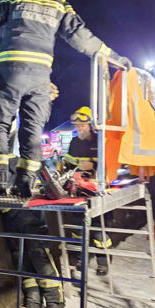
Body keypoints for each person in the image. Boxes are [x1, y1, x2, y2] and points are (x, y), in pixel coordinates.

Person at [0, 0, 132, 197]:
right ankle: (25, 183)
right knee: (32, 129)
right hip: (41, 79)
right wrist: (115, 57)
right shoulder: (60, 7)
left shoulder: (15, 1)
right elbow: (83, 40)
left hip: (11, 74)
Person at [62, 106, 113, 275]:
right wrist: (65, 169)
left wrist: (94, 167)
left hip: (98, 189)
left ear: (90, 125)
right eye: (77, 126)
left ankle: (103, 263)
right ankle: (80, 260)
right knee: (78, 230)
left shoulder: (100, 141)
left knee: (99, 229)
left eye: (82, 125)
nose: (79, 128)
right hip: (79, 190)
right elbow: (69, 165)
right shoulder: (74, 142)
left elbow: (109, 165)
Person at [4, 209, 64, 308]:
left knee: (39, 255)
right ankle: (33, 300)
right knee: (21, 256)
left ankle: (54, 300)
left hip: (29, 209)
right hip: (9, 212)